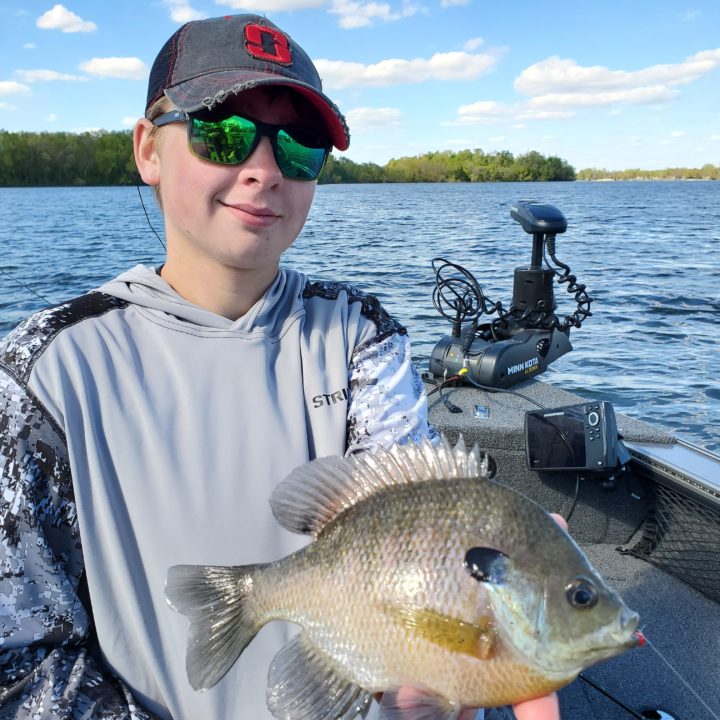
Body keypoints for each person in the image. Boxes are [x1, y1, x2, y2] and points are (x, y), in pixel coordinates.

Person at [0, 13, 561, 720]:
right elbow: (17, 655)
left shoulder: (362, 335)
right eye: (222, 131)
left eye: (300, 146)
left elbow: (408, 542)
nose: (264, 168)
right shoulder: (43, 369)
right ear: (148, 150)